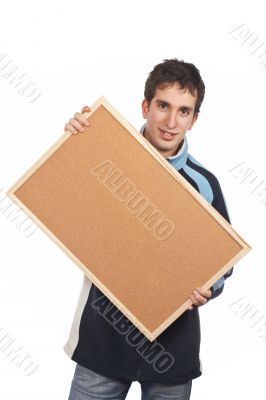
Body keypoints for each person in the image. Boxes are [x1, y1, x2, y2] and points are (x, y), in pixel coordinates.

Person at [63, 58, 233, 400]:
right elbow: (63, 198)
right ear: (146, 106)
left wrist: (208, 288)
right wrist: (75, 143)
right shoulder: (105, 155)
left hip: (171, 352)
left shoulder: (204, 184)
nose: (171, 122)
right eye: (163, 106)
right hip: (103, 343)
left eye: (184, 111)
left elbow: (223, 261)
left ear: (194, 119)